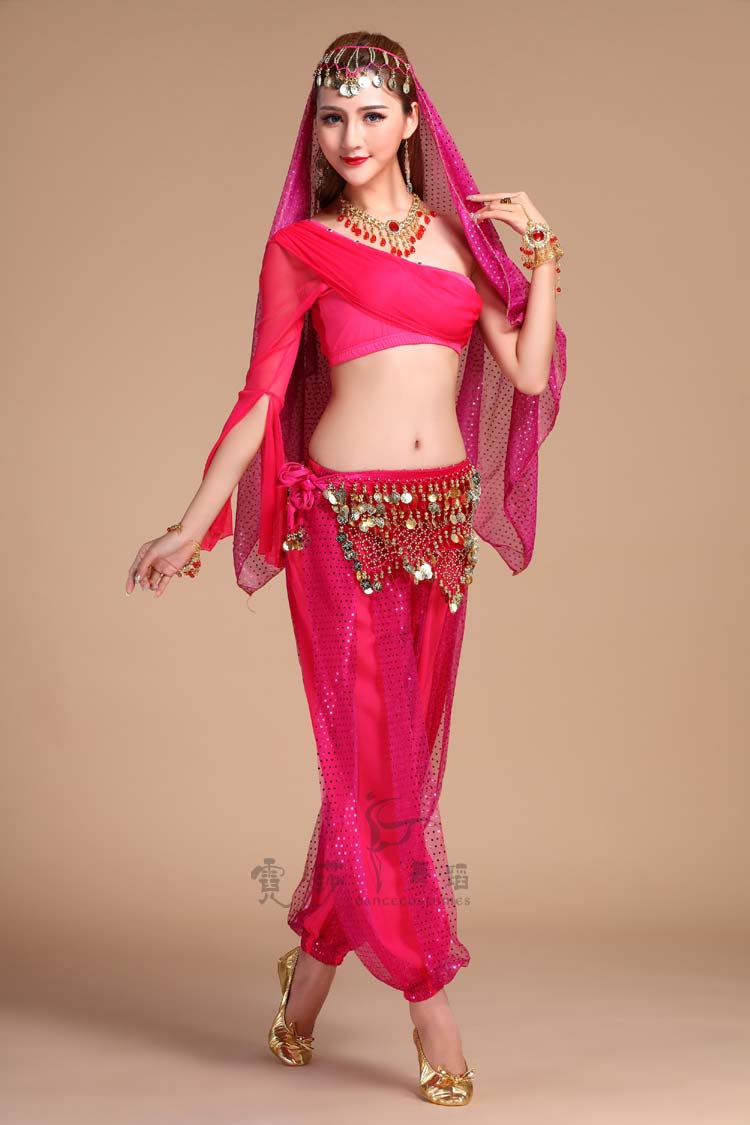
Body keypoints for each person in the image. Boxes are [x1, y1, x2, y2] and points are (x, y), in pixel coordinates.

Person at [125, 31, 567, 1107]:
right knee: (379, 770)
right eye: (333, 116)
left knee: (395, 768)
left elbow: (525, 368)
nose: (350, 135)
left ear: (412, 122)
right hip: (342, 530)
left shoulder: (461, 245)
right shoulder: (303, 249)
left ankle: (309, 983)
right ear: (315, 130)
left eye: (372, 114)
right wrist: (192, 524)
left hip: (437, 527)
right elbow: (261, 399)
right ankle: (429, 1000)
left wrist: (544, 258)